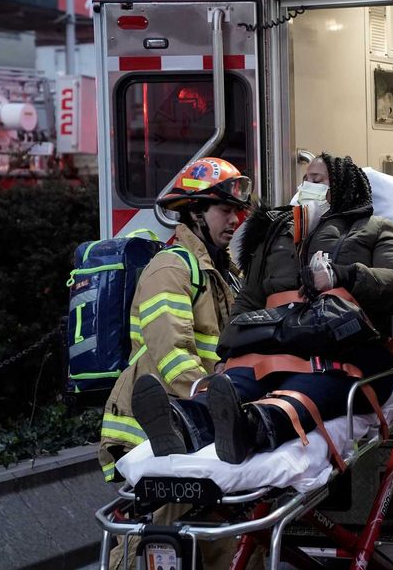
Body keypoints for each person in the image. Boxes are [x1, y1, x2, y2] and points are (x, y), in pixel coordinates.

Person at [132, 153, 393, 465]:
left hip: (342, 351)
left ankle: (251, 428)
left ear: (340, 187)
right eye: (305, 179)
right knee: (234, 384)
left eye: (316, 180)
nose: (305, 186)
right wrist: (226, 355)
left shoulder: (375, 229)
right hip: (275, 345)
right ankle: (180, 423)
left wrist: (342, 275)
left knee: (300, 390)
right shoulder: (277, 234)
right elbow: (249, 300)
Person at [98, 156, 252, 569]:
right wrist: (213, 404)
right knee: (154, 540)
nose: (235, 219)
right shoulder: (170, 268)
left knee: (220, 535)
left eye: (238, 211)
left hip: (195, 427)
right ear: (195, 211)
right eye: (225, 209)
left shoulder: (224, 272)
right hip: (157, 428)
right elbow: (172, 355)